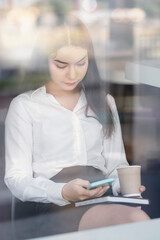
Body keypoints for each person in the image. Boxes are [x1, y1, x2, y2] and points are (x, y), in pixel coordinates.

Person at [4, 14, 150, 238]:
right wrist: (62, 191)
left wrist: (124, 187)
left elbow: (116, 162)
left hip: (100, 192)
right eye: (61, 64)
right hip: (54, 202)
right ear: (44, 60)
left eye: (81, 63)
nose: (72, 74)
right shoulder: (26, 106)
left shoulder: (103, 101)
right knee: (134, 222)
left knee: (135, 219)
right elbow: (16, 179)